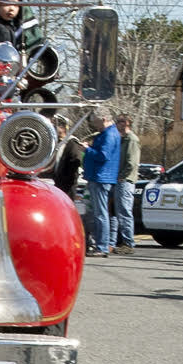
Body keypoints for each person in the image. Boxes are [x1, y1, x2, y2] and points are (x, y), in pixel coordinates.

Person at [80, 109, 120, 256]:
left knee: (101, 214)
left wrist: (87, 149)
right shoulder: (109, 133)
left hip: (101, 177)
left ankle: (102, 246)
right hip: (100, 176)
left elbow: (103, 155)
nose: (94, 125)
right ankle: (102, 244)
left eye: (96, 121)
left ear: (103, 119)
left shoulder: (109, 134)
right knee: (100, 213)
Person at [112, 115, 141, 249]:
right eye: (117, 121)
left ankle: (128, 242)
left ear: (128, 123)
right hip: (117, 180)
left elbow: (132, 162)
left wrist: (122, 176)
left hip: (125, 181)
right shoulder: (121, 139)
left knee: (124, 212)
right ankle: (118, 241)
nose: (118, 124)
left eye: (122, 121)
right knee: (116, 212)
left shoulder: (132, 140)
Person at [52, 117, 83, 197]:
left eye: (56, 126)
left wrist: (66, 179)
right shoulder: (59, 142)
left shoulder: (72, 143)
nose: (53, 128)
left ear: (62, 128)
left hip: (67, 185)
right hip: (59, 182)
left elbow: (75, 162)